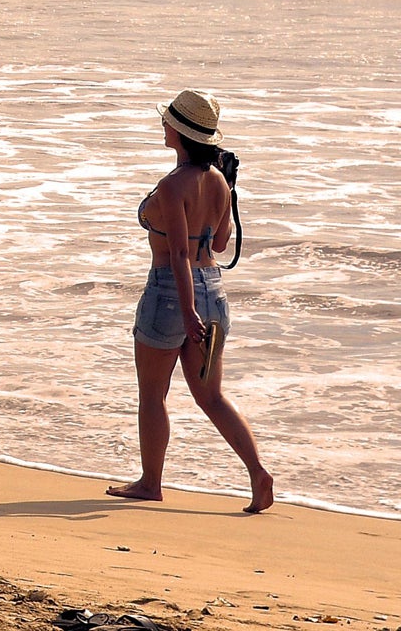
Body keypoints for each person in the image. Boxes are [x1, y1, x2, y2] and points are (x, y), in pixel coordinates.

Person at [106, 89, 274, 514]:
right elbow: (218, 243)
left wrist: (185, 310)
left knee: (152, 393)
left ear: (179, 134)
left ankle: (150, 483)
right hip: (214, 289)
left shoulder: (170, 186)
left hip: (169, 293)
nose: (163, 126)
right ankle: (257, 472)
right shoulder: (218, 181)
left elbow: (177, 254)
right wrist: (229, 193)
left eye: (167, 122)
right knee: (211, 396)